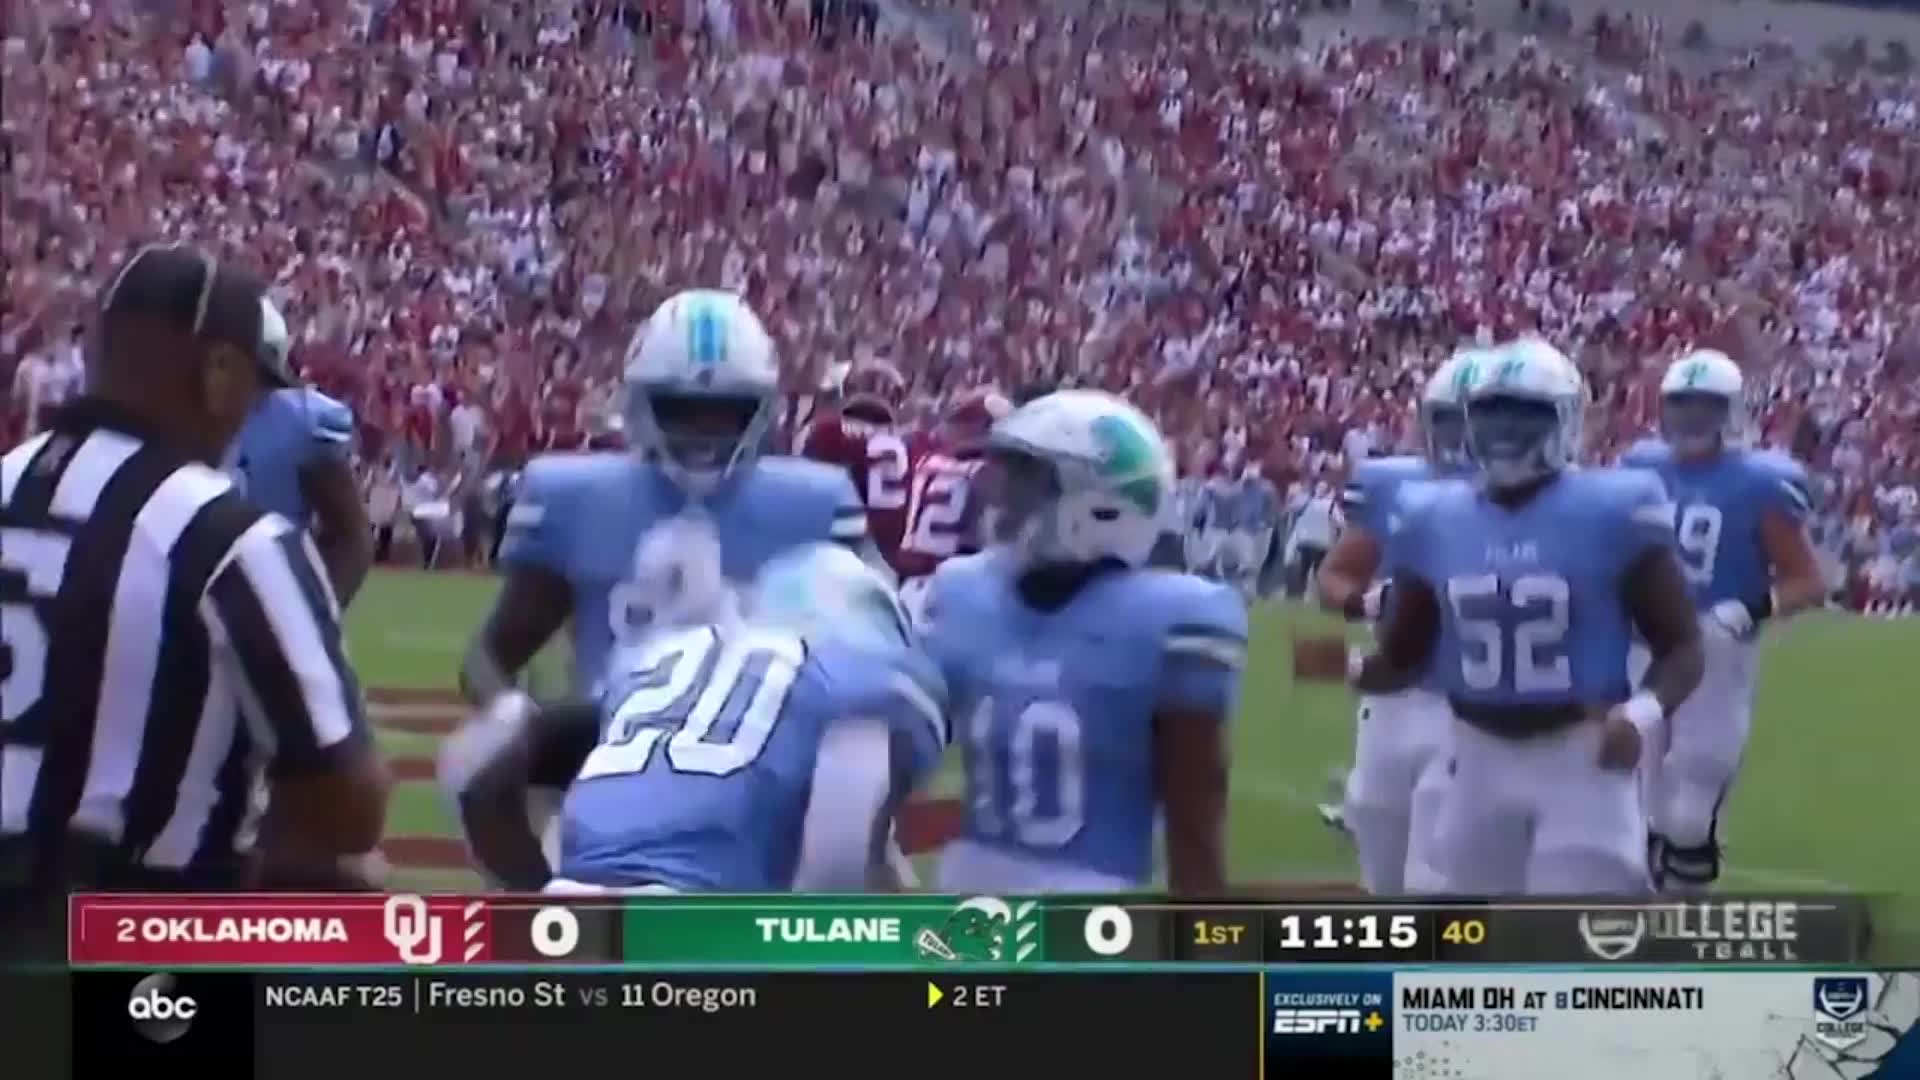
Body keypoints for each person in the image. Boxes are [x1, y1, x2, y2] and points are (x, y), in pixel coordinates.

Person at [0, 245, 388, 958]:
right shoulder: (229, 535)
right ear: (217, 372)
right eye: (252, 387)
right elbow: (347, 806)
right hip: (127, 935)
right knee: (355, 888)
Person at [1295, 339, 1704, 895]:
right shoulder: (1433, 516)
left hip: (1580, 757)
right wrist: (1327, 662)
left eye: (1524, 417)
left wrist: (1640, 715)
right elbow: (1405, 660)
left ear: (1564, 421)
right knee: (1470, 944)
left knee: (1571, 939)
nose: (1505, 434)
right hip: (1475, 759)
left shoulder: (1613, 510)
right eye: (1492, 417)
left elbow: (1682, 645)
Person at [438, 543, 947, 892]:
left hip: (576, 916)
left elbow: (480, 760)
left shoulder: (659, 655)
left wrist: (535, 895)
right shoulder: (861, 678)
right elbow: (841, 848)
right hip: (704, 926)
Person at [461, 288, 869, 708]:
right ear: (640, 402)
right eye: (682, 410)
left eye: (726, 413)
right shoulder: (577, 500)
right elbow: (488, 659)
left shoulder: (816, 508)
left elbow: (874, 666)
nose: (703, 433)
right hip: (611, 756)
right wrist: (520, 724)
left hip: (762, 764)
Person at [927, 390, 1247, 894]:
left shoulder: (1171, 621)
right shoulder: (965, 589)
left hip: (1081, 908)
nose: (1005, 498)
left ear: (1099, 506)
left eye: (1029, 483)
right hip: (969, 892)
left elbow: (1195, 830)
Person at [1616, 349, 1825, 893]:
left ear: (1731, 411)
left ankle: (1686, 924)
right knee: (1641, 797)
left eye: (1703, 409)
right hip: (1646, 644)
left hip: (1715, 649)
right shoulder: (1639, 467)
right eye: (1681, 408)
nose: (1690, 421)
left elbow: (1808, 579)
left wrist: (1751, 608)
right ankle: (1646, 915)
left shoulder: (1759, 480)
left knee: (1692, 801)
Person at [1308, 349, 1479, 894]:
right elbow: (1332, 578)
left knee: (1432, 873)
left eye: (1473, 423)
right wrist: (1367, 602)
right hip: (1391, 698)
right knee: (1378, 859)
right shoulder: (1393, 486)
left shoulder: (1542, 501)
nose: (1458, 440)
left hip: (1474, 703)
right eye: (1448, 422)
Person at [223, 298, 373, 605]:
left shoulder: (301, 424)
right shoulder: (177, 417)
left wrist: (315, 613)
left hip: (267, 601)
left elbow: (350, 536)